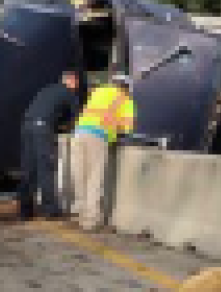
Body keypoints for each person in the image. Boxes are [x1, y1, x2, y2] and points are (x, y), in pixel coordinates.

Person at [70, 73, 135, 231]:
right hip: (98, 137)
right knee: (94, 177)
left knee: (79, 174)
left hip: (79, 133)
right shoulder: (125, 100)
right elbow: (126, 128)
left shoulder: (98, 92)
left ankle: (78, 211)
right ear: (126, 88)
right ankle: (90, 220)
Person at [18, 70, 81, 219]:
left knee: (28, 169)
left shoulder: (48, 89)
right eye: (77, 83)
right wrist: (67, 128)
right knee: (45, 168)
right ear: (72, 81)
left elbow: (47, 109)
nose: (77, 86)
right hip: (42, 129)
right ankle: (50, 210)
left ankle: (25, 211)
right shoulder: (69, 93)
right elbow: (77, 118)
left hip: (26, 126)